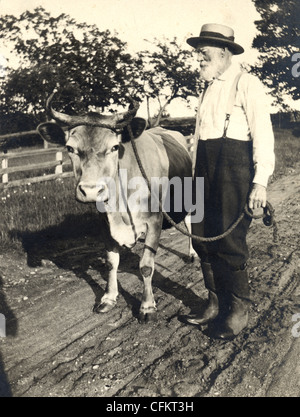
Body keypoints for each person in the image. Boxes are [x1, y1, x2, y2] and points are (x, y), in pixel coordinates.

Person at [185, 23, 275, 340]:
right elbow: (198, 140)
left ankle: (237, 310)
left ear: (223, 53)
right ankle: (214, 303)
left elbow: (263, 136)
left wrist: (260, 181)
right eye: (198, 54)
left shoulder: (246, 83)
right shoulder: (207, 89)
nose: (198, 59)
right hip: (202, 172)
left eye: (203, 53)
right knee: (200, 238)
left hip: (233, 170)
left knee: (229, 243)